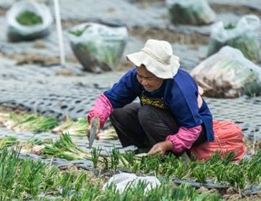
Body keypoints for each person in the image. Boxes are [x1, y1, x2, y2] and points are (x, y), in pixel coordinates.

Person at [86, 39, 214, 157]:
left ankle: (172, 156)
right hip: (160, 120)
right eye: (140, 76)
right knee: (119, 111)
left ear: (162, 75)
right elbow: (108, 100)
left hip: (194, 130)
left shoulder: (180, 88)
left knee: (147, 113)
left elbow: (192, 129)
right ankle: (140, 151)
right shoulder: (136, 76)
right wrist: (96, 119)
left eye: (149, 78)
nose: (143, 82)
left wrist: (167, 145)